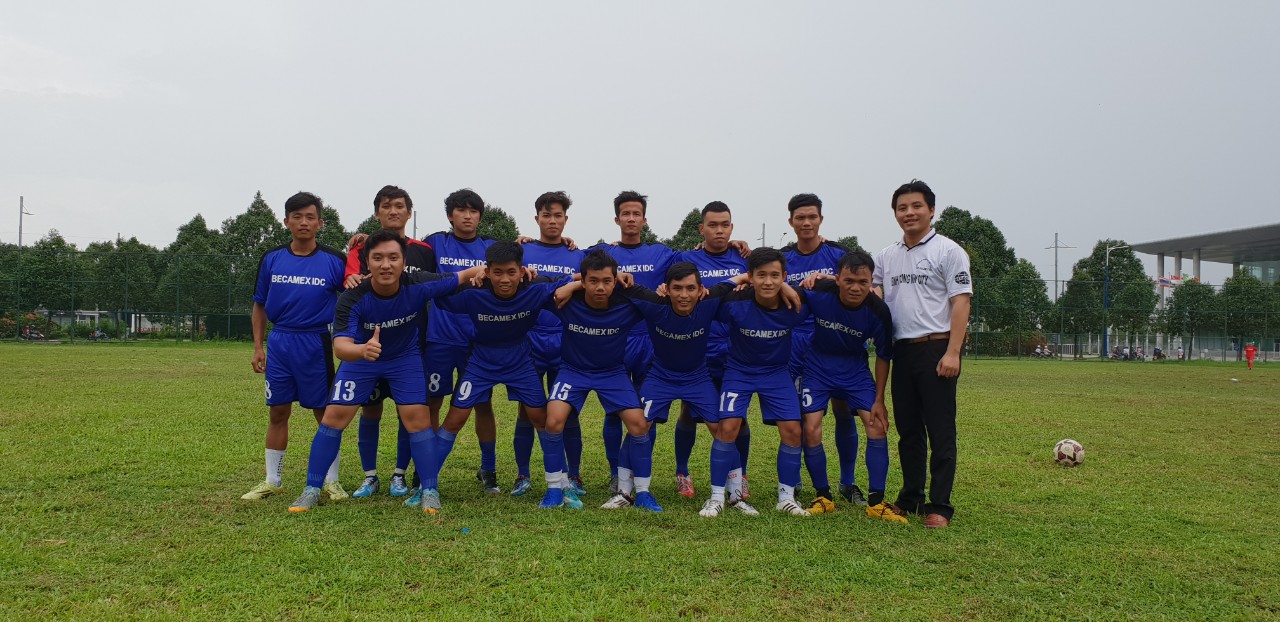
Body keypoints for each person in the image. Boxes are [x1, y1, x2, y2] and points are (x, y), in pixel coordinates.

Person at [288, 230, 484, 513]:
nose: (386, 265)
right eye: (378, 258)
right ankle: (311, 489)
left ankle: (430, 490)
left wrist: (488, 271)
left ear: (403, 262)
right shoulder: (353, 297)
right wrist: (362, 350)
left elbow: (464, 275)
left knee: (418, 419)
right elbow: (341, 347)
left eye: (393, 258)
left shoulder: (419, 284)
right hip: (362, 358)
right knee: (333, 417)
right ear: (367, 262)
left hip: (405, 359)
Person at [423, 241, 570, 513]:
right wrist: (470, 274)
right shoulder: (473, 292)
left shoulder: (535, 289)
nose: (505, 279)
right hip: (481, 362)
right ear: (488, 271)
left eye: (511, 272)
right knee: (455, 419)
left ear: (522, 271)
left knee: (541, 419)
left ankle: (557, 486)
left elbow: (576, 280)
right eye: (498, 272)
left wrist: (576, 282)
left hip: (520, 362)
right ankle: (427, 487)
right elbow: (438, 291)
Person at [872, 180, 972, 529]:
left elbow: (961, 301)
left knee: (941, 431)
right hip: (902, 351)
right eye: (902, 207)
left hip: (937, 348)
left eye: (916, 206)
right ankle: (910, 497)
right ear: (895, 213)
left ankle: (939, 506)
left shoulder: (949, 251)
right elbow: (872, 289)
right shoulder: (886, 256)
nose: (909, 212)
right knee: (909, 430)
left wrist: (953, 352)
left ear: (931, 210)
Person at [242, 192, 347, 501]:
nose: (304, 222)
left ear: (320, 223)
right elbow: (259, 305)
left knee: (324, 414)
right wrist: (258, 347)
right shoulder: (272, 258)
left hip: (316, 341)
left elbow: (352, 298)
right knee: (278, 411)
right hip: (281, 342)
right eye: (297, 216)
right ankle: (272, 480)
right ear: (286, 221)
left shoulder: (334, 260)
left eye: (310, 217)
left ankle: (331, 481)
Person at [345, 185, 439, 500]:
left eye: (399, 206)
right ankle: (369, 476)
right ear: (377, 213)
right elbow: (351, 283)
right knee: (370, 411)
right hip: (368, 348)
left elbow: (433, 287)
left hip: (410, 345)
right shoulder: (361, 248)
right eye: (386, 206)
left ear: (409, 213)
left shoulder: (424, 250)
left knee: (406, 412)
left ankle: (399, 475)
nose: (393, 211)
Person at [799, 251, 907, 523]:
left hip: (855, 371)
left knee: (876, 425)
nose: (855, 288)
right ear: (837, 279)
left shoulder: (878, 311)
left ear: (872, 282)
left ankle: (876, 502)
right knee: (810, 427)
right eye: (849, 281)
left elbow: (883, 355)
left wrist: (879, 399)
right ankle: (823, 496)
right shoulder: (820, 290)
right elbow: (786, 294)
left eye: (863, 282)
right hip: (817, 368)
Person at [540, 250, 646, 509]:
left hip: (612, 373)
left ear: (615, 281)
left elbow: (661, 301)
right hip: (573, 371)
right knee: (553, 420)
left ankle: (642, 492)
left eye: (607, 281)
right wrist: (571, 285)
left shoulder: (627, 304)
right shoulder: (567, 302)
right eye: (593, 281)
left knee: (639, 425)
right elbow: (535, 286)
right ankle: (554, 489)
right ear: (584, 281)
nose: (600, 287)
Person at [714, 247, 812, 517]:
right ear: (751, 277)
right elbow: (708, 297)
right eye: (761, 275)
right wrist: (736, 281)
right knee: (728, 427)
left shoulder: (797, 303)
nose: (768, 281)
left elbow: (832, 290)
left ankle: (786, 498)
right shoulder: (736, 301)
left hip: (776, 373)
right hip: (739, 371)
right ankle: (718, 496)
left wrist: (795, 286)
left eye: (775, 275)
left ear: (785, 276)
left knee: (793, 430)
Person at [590, 191, 676, 494]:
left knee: (646, 413)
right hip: (614, 339)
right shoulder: (601, 252)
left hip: (651, 341)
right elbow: (566, 261)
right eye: (625, 214)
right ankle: (616, 473)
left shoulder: (662, 253)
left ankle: (640, 472)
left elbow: (700, 261)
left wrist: (734, 246)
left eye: (636, 214)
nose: (630, 219)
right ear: (617, 219)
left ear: (644, 219)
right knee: (614, 411)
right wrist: (526, 242)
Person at [781, 193, 863, 505]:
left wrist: (830, 278)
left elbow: (865, 283)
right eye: (800, 217)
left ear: (821, 219)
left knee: (844, 411)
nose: (806, 222)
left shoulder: (839, 255)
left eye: (812, 216)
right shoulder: (782, 259)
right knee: (803, 417)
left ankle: (848, 482)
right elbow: (761, 276)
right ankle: (799, 480)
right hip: (796, 345)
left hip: (836, 342)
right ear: (791, 222)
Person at [423, 189, 501, 498]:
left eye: (473, 211)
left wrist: (526, 240)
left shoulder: (490, 247)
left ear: (480, 216)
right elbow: (403, 252)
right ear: (450, 215)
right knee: (433, 402)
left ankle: (488, 468)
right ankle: (426, 468)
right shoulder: (435, 243)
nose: (467, 216)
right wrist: (363, 239)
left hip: (478, 341)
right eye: (461, 210)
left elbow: (518, 261)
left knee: (483, 404)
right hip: (440, 338)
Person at [669, 201, 749, 499]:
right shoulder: (685, 258)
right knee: (689, 411)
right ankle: (682, 472)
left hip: (735, 348)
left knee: (738, 415)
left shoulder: (744, 259)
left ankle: (740, 476)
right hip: (696, 347)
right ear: (701, 228)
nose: (719, 230)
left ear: (732, 227)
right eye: (713, 225)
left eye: (725, 225)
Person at [513, 191, 586, 498]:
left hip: (566, 341)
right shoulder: (523, 250)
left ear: (566, 219)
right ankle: (523, 475)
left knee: (568, 412)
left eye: (558, 215)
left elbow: (594, 278)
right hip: (529, 339)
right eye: (546, 215)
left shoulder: (577, 254)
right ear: (537, 218)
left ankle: (574, 474)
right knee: (526, 410)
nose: (552, 221)